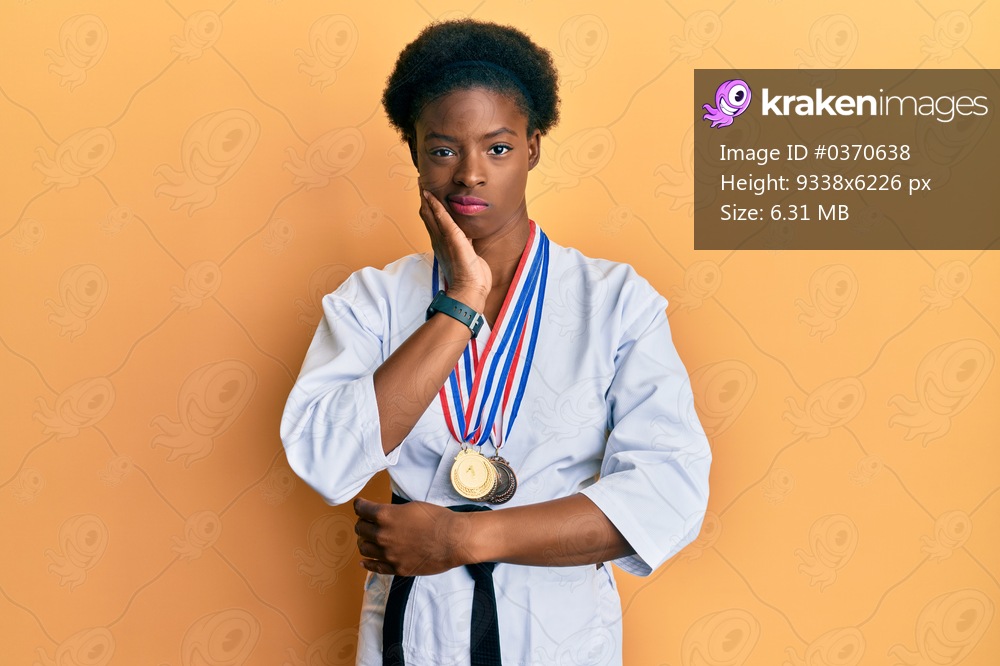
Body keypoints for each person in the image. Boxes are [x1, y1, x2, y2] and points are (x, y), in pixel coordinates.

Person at [280, 18, 711, 666]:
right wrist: (458, 305)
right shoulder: (372, 301)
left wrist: (462, 538)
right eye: (443, 149)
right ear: (416, 153)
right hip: (418, 628)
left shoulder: (617, 303)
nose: (470, 175)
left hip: (558, 632)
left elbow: (668, 493)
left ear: (533, 148)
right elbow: (324, 460)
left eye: (499, 148)